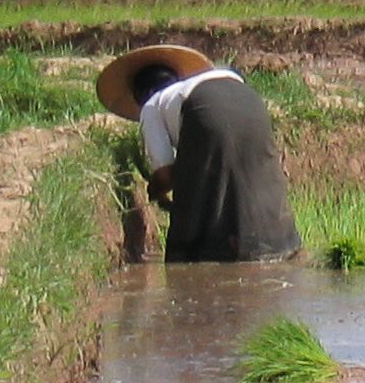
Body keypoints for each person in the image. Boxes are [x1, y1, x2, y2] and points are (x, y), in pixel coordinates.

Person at [96, 44, 302, 263]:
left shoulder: (151, 105)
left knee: (198, 204)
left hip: (206, 112)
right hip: (251, 102)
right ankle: (280, 246)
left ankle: (203, 260)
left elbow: (165, 173)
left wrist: (156, 190)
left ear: (141, 95)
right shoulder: (192, 86)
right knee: (259, 175)